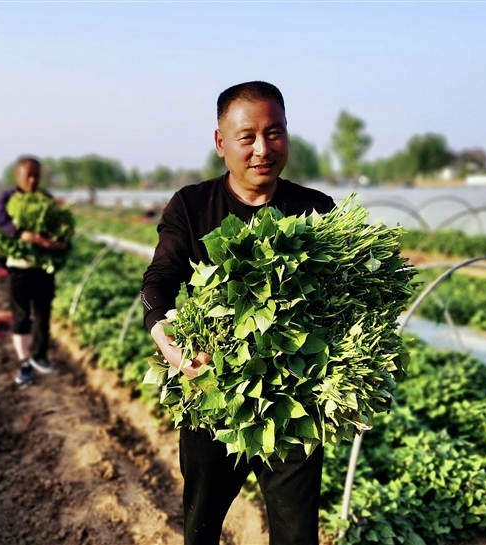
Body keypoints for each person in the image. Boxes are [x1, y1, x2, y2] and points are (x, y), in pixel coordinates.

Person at [141, 81, 336, 545]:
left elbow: (339, 299)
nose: (262, 149)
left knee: (296, 533)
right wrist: (165, 333)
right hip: (214, 393)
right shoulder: (191, 206)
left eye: (276, 132)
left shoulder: (316, 210)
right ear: (221, 143)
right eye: (247, 136)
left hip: (294, 404)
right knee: (203, 524)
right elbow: (160, 280)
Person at [0, 156, 66, 386]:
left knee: (43, 313)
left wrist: (55, 242)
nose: (33, 180)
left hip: (43, 267)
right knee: (22, 315)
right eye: (29, 175)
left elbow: (58, 226)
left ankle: (40, 355)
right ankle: (24, 361)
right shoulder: (8, 198)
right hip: (20, 268)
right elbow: (1, 222)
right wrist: (22, 234)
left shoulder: (46, 199)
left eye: (37, 175)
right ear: (18, 176)